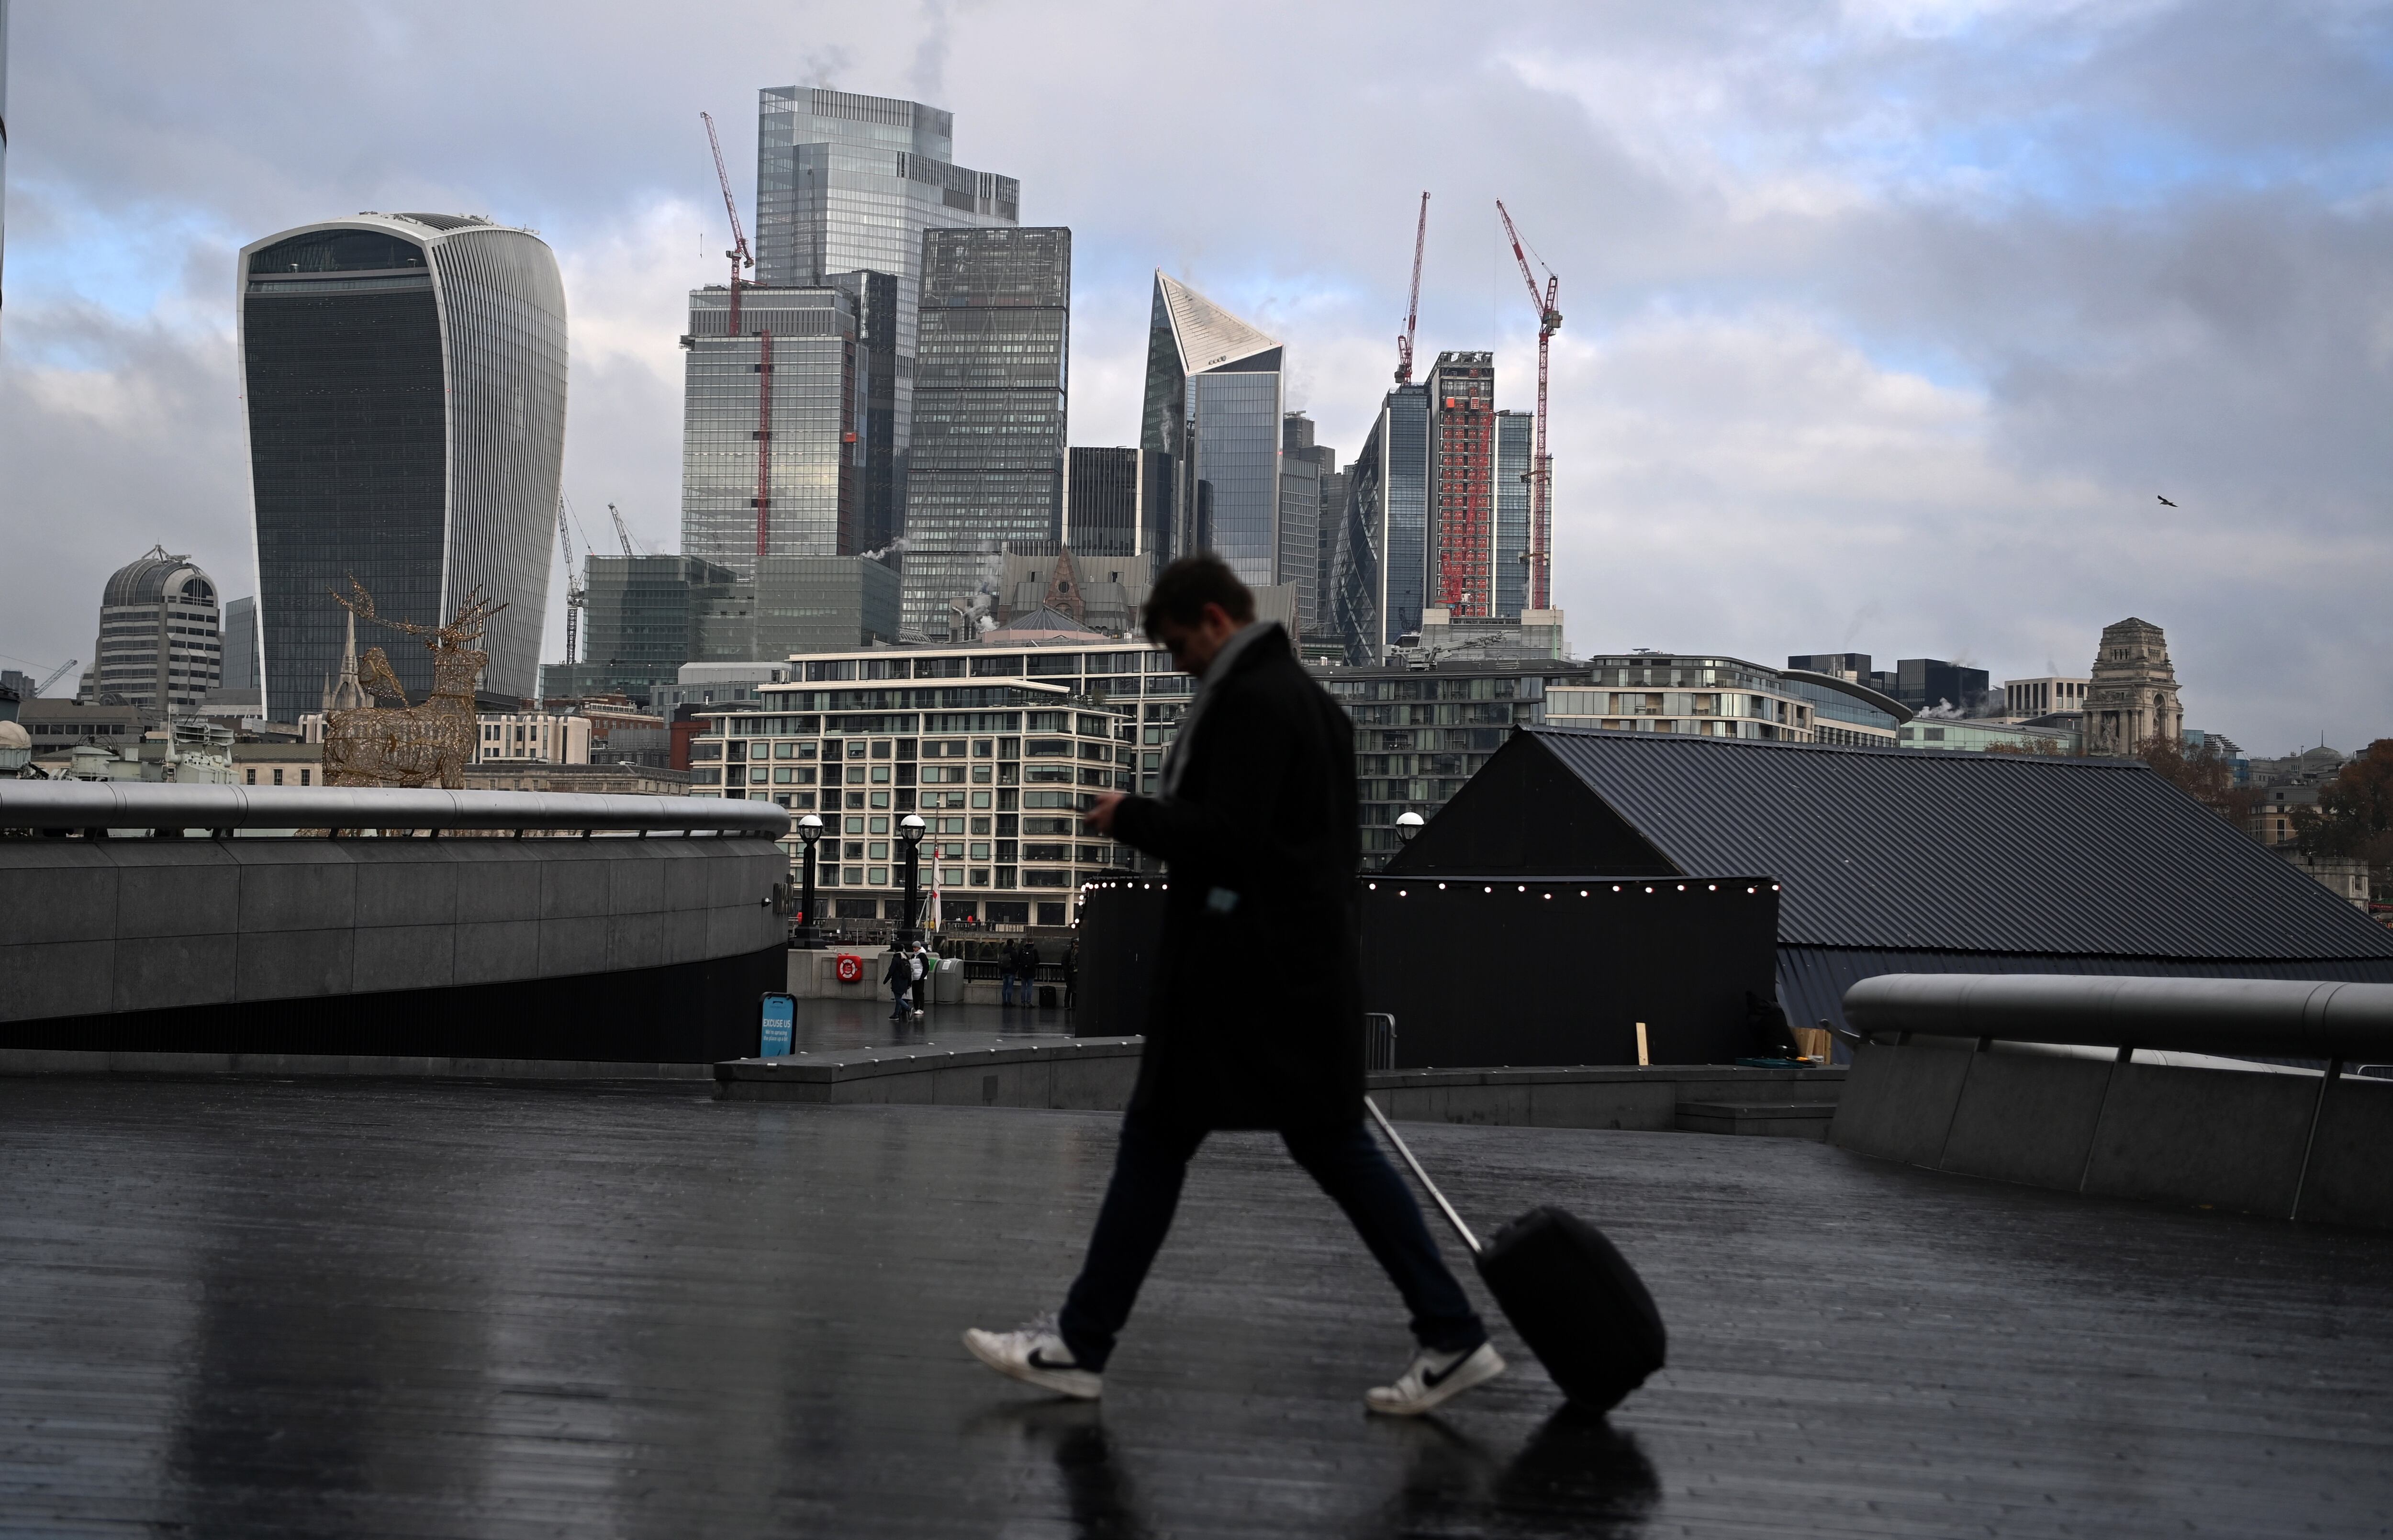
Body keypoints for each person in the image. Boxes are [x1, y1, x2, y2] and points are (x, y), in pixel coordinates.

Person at [963, 555, 1502, 1417]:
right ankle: (1450, 1331)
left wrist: (1131, 814)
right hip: (1298, 971)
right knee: (1321, 1147)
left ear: (1214, 619)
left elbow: (1229, 838)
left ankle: (1081, 1343)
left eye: (1178, 645)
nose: (1177, 663)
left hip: (1241, 980)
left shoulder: (1253, 704)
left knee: (1158, 1145)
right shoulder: (1308, 702)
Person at [883, 944, 914, 1022]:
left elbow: (891, 971)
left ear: (895, 950)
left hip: (897, 981)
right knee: (899, 998)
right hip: (905, 981)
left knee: (898, 998)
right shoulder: (906, 959)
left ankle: (909, 1009)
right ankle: (896, 1014)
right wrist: (909, 983)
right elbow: (909, 972)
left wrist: (886, 980)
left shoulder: (896, 959)